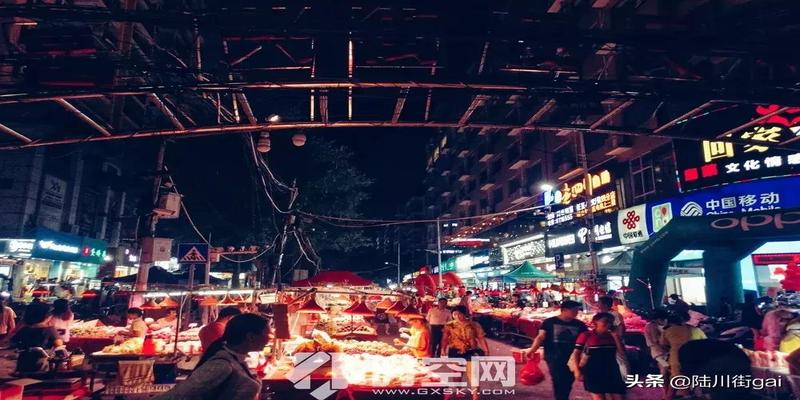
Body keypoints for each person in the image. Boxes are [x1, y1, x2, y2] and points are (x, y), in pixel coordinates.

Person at [153, 313, 269, 400]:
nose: (269, 338)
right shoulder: (221, 365)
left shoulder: (237, 359)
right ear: (250, 337)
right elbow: (179, 394)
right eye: (266, 334)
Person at [522, 300, 588, 400]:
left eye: (577, 310)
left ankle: (563, 396)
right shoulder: (549, 322)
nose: (576, 313)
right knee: (558, 379)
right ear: (564, 310)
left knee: (569, 380)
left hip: (573, 358)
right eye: (574, 310)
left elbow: (585, 341)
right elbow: (540, 337)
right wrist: (532, 350)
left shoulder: (581, 325)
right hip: (554, 356)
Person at [570, 313, 626, 400]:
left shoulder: (613, 336)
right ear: (595, 322)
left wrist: (616, 337)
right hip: (593, 371)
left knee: (619, 397)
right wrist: (577, 371)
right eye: (605, 321)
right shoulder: (586, 335)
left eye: (610, 322)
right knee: (599, 398)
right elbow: (576, 353)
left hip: (612, 370)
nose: (608, 324)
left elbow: (622, 352)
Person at [661, 312, 707, 400]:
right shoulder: (695, 330)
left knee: (675, 379)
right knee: (694, 380)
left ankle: (669, 397)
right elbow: (705, 343)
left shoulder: (667, 331)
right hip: (694, 359)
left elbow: (663, 345)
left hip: (676, 358)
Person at [11, 302, 60, 373]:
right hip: (41, 361)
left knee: (24, 378)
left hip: (23, 360)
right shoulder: (50, 329)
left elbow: (14, 341)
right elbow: (58, 343)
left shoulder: (24, 329)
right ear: (45, 315)